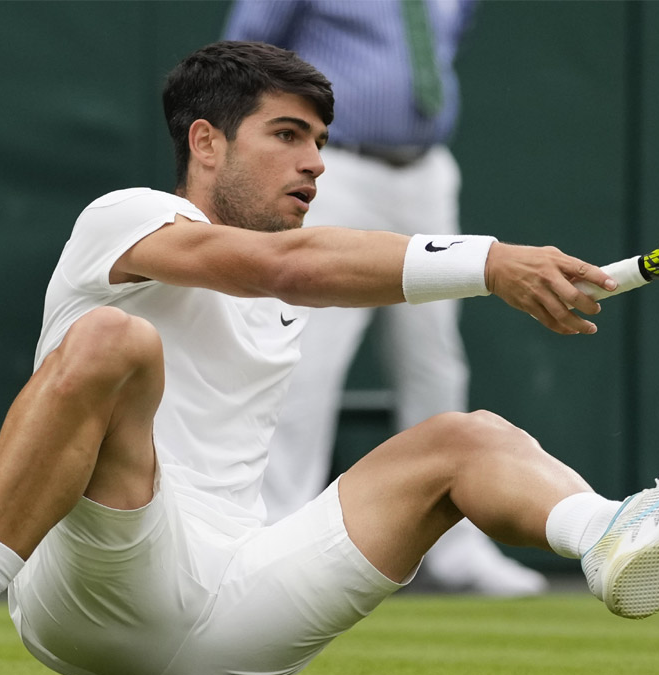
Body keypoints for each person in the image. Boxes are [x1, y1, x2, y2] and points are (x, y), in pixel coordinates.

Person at [0, 41, 659, 675]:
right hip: (84, 591)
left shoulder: (288, 280)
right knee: (112, 341)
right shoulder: (131, 219)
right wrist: (488, 262)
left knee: (462, 437)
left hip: (227, 635)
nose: (317, 163)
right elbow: (282, 268)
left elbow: (301, 271)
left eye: (322, 142)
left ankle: (610, 534)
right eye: (288, 136)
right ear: (205, 143)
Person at [223, 0, 548, 596]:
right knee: (306, 359)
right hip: (331, 169)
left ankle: (453, 542)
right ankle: (275, 539)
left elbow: (441, 48)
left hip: (426, 171)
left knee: (435, 361)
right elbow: (243, 63)